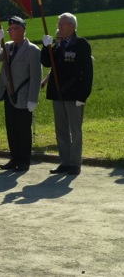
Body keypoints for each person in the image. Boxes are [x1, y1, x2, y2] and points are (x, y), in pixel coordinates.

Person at [41, 13, 93, 175]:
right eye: (59, 24)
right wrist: (46, 47)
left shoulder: (81, 45)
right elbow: (47, 62)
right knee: (61, 130)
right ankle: (64, 161)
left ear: (72, 26)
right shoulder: (58, 45)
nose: (59, 27)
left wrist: (82, 96)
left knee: (75, 131)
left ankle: (75, 164)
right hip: (58, 94)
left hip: (74, 94)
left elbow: (87, 72)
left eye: (62, 25)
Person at [0, 16, 42, 172]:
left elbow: (36, 75)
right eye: (9, 30)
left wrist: (33, 98)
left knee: (23, 130)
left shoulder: (32, 49)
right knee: (11, 128)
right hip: (9, 94)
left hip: (23, 94)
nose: (11, 32)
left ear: (23, 29)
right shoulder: (7, 46)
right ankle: (14, 158)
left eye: (14, 29)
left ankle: (24, 160)